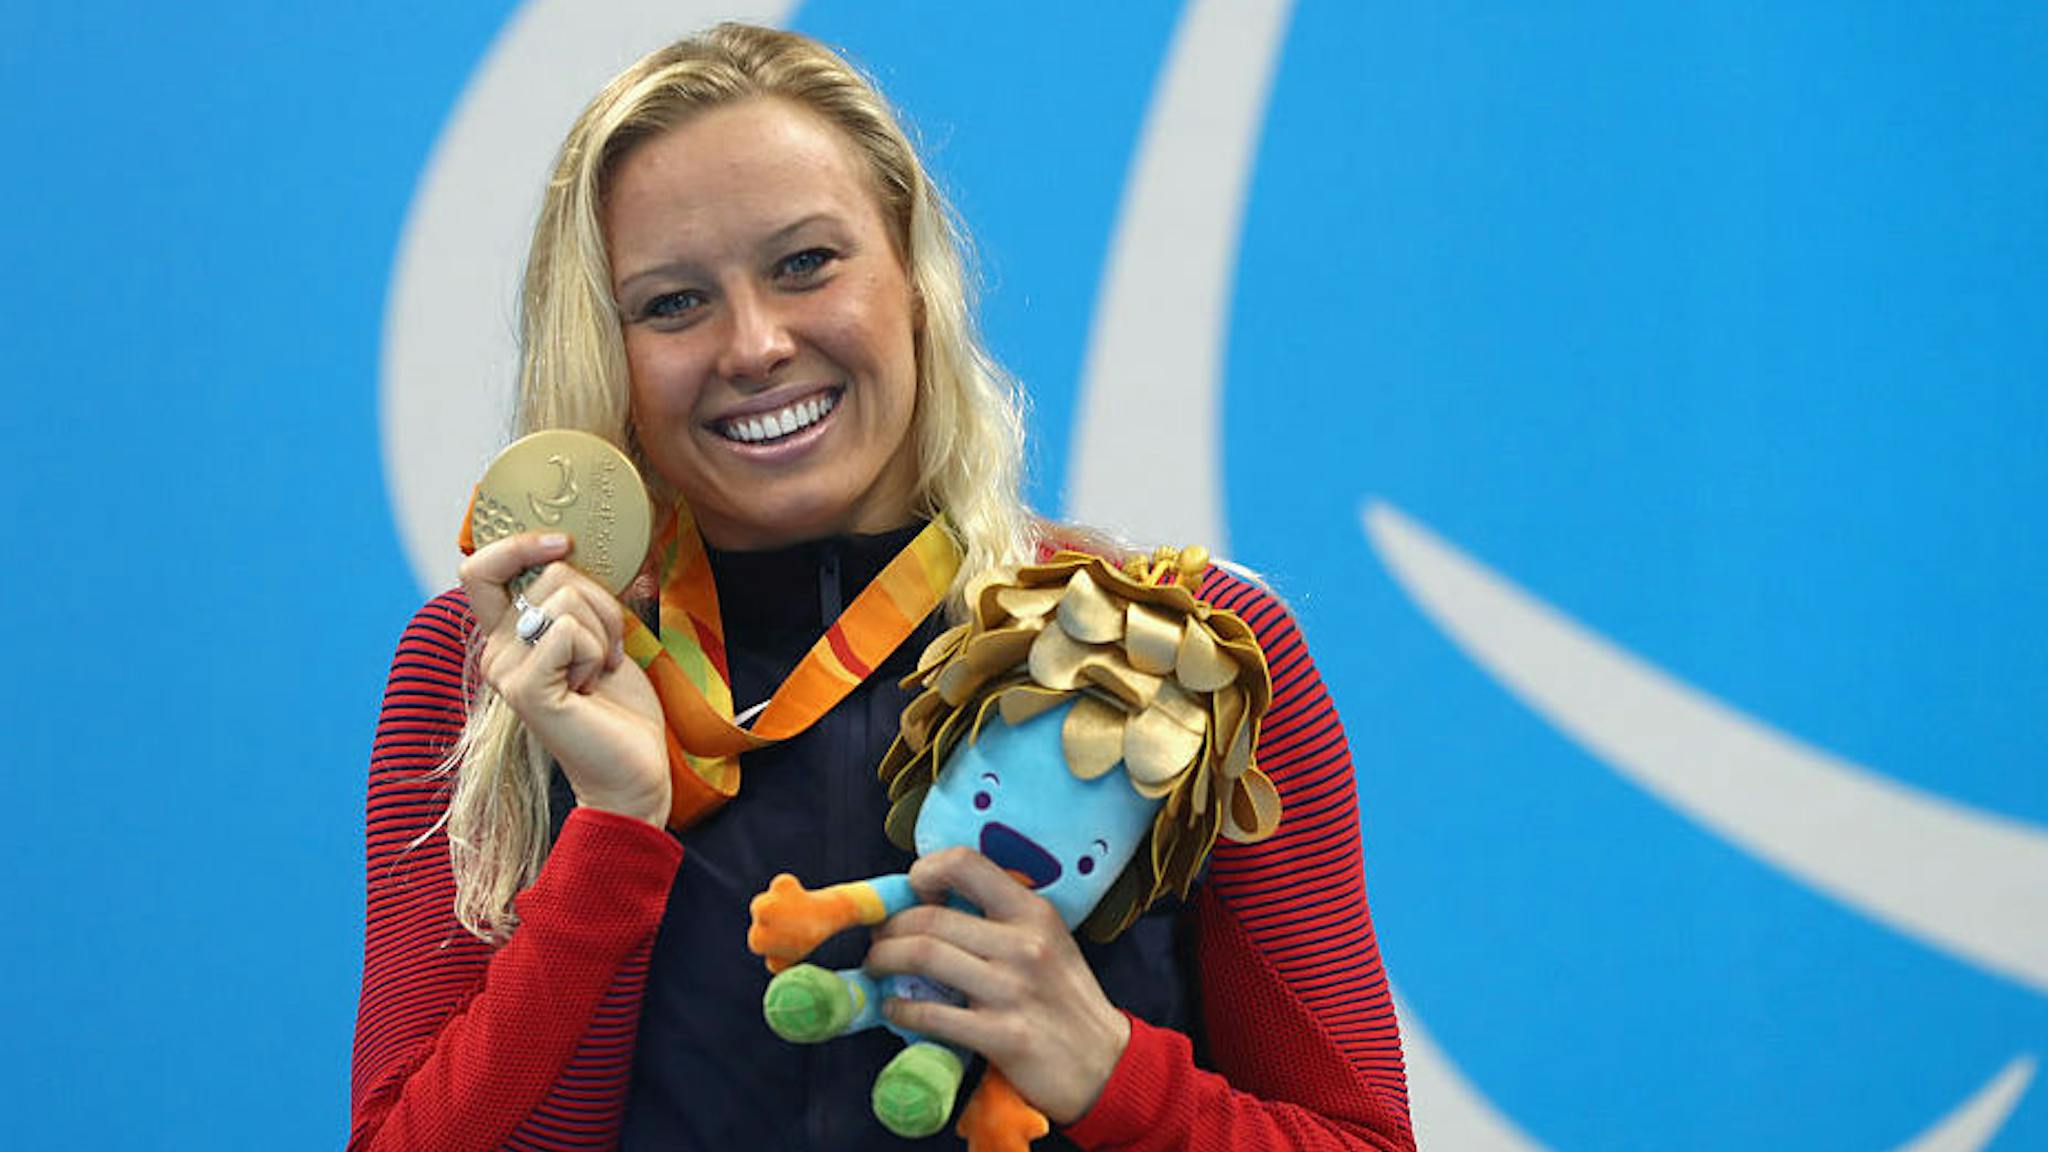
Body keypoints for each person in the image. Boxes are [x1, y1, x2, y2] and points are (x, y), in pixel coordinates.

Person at [350, 23, 1415, 1152]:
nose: (754, 343)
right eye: (671, 303)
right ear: (605, 351)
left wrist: (1107, 1073)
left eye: (806, 263)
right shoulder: (503, 673)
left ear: (913, 276)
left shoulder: (1182, 650)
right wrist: (611, 832)